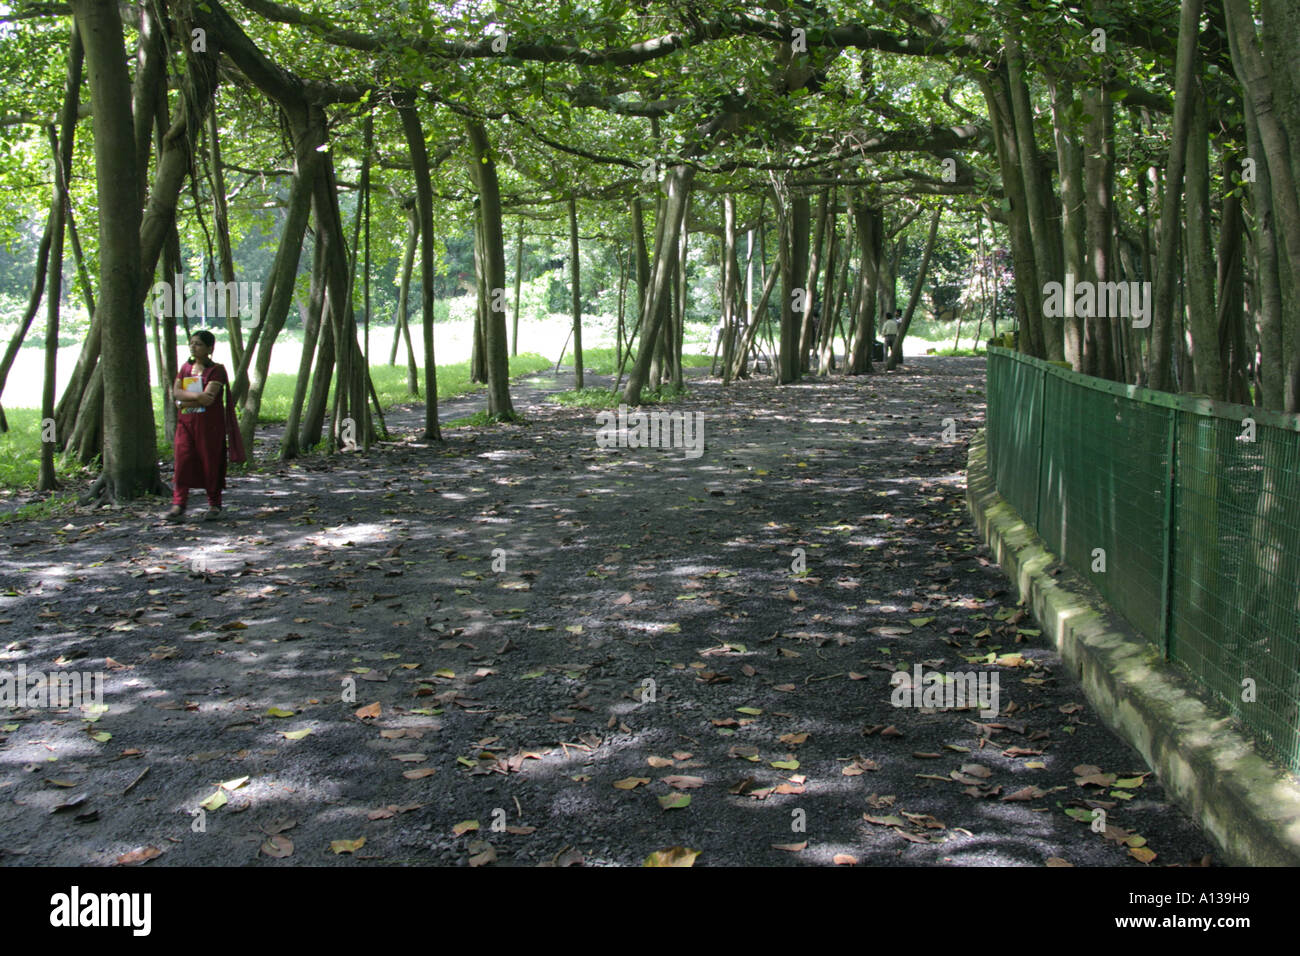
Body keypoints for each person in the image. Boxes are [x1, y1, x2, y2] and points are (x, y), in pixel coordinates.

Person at [165, 330, 245, 522]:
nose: (194, 347)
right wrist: (192, 399)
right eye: (192, 343)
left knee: (210, 462)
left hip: (209, 426)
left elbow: (208, 399)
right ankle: (178, 505)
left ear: (210, 348)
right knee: (182, 461)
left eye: (199, 344)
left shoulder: (216, 370)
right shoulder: (185, 368)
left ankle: (214, 505)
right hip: (186, 423)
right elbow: (176, 392)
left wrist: (184, 401)